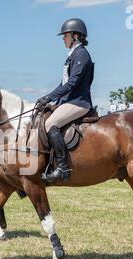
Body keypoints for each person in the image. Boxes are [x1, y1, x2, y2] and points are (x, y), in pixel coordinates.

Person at [36, 18, 94, 183]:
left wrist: (51, 96)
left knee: (50, 124)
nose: (63, 39)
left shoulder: (81, 54)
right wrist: (50, 99)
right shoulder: (72, 55)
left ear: (75, 36)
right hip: (69, 101)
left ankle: (63, 168)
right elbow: (63, 83)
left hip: (79, 102)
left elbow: (72, 83)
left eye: (65, 35)